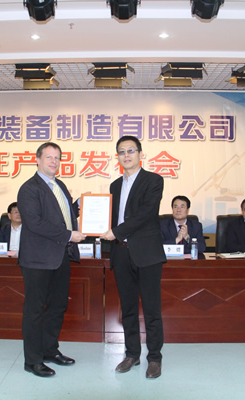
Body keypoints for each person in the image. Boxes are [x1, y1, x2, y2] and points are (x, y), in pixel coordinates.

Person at [17, 142, 86, 378]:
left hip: (60, 256)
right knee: (35, 310)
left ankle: (49, 350)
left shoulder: (60, 185)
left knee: (57, 307)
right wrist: (68, 235)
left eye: (57, 157)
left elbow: (63, 215)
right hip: (38, 259)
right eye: (49, 157)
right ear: (37, 159)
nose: (54, 161)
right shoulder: (29, 188)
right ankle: (32, 360)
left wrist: (81, 206)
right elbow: (35, 223)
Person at [99, 135, 166, 379]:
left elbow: (146, 214)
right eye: (121, 151)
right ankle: (132, 354)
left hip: (147, 253)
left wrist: (116, 231)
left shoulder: (153, 180)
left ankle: (154, 357)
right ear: (117, 157)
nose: (126, 155)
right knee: (127, 308)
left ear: (140, 154)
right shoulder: (115, 186)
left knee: (151, 309)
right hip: (121, 253)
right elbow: (111, 216)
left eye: (131, 150)